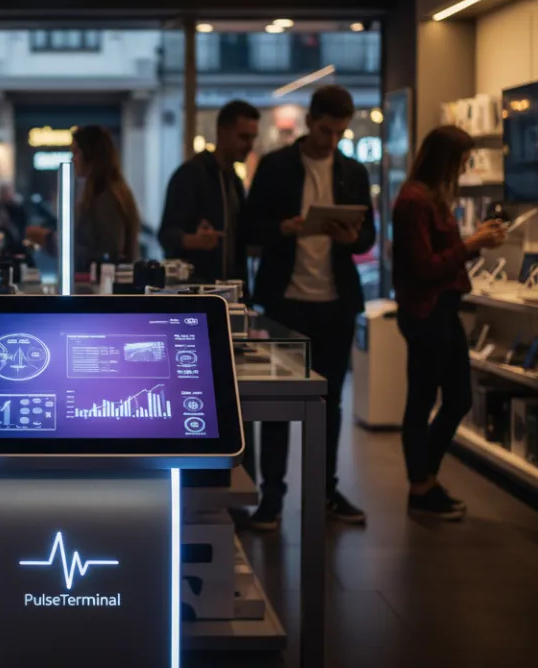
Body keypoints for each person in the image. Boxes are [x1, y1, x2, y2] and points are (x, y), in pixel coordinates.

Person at [245, 85, 376, 530]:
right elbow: (252, 227)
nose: (331, 141)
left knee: (330, 403)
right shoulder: (277, 167)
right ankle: (273, 497)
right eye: (325, 130)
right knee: (278, 405)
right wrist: (284, 228)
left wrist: (351, 238)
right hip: (287, 301)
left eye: (339, 133)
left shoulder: (353, 171)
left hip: (335, 302)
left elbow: (369, 235)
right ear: (309, 122)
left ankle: (324, 491)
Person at [393, 126, 506, 520]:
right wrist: (473, 244)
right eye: (461, 161)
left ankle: (425, 479)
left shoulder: (431, 200)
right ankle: (420, 486)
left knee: (456, 397)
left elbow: (442, 261)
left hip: (440, 308)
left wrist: (474, 244)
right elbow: (424, 268)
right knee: (424, 399)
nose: (464, 168)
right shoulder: (415, 201)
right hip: (427, 311)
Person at [159, 100, 258, 286]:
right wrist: (194, 241)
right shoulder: (191, 175)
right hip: (197, 290)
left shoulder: (233, 179)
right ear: (222, 132)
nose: (250, 145)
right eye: (244, 137)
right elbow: (166, 235)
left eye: (253, 137)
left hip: (228, 289)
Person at [26, 125, 141, 269]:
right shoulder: (102, 193)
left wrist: (50, 240)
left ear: (90, 155)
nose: (72, 159)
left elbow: (107, 252)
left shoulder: (105, 198)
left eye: (75, 152)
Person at [0, 183, 28, 255]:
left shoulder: (18, 209)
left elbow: (21, 231)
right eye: (3, 192)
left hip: (16, 248)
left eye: (7, 192)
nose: (5, 195)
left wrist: (8, 224)